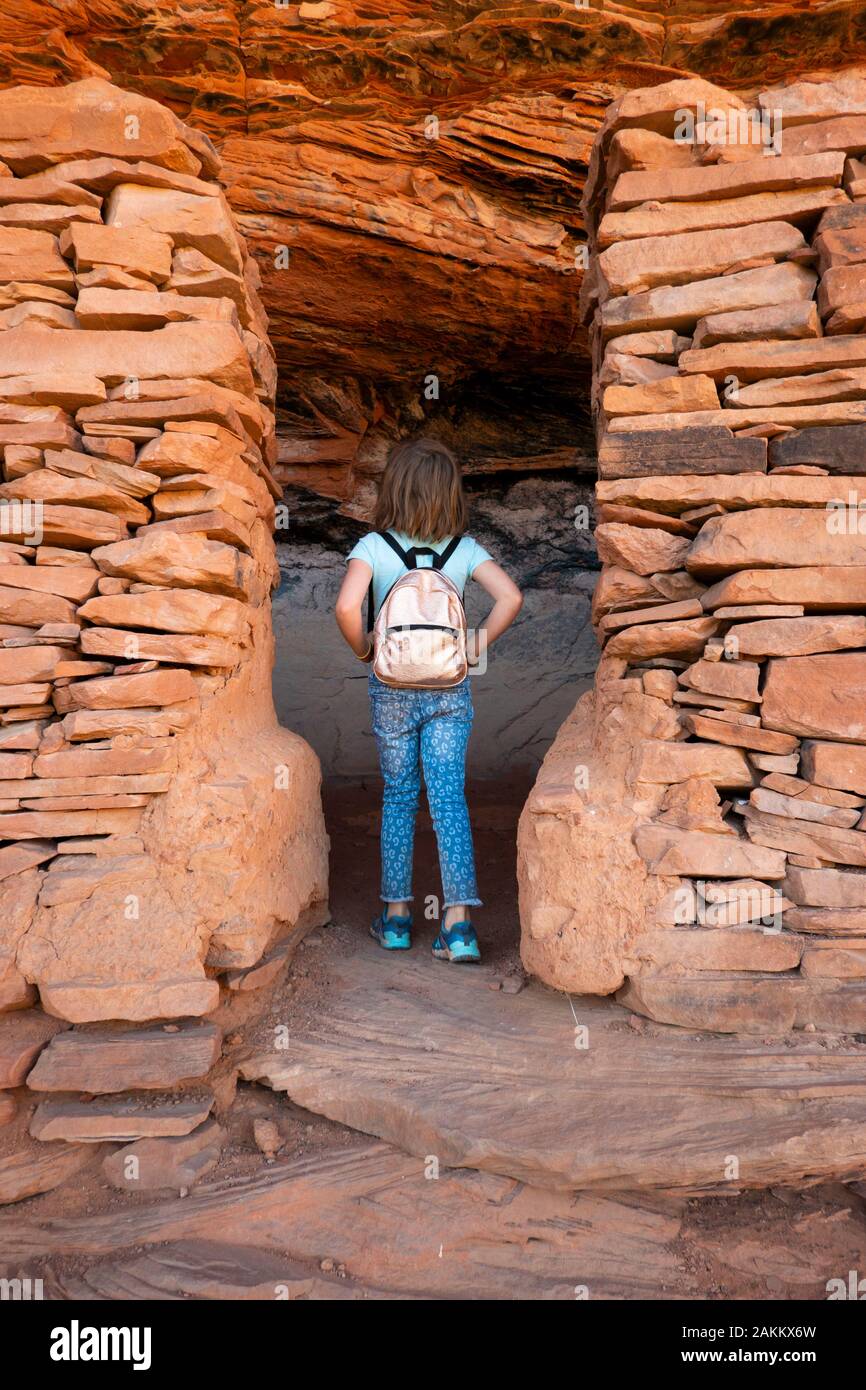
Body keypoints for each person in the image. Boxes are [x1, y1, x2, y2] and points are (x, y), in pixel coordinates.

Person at [335, 437, 523, 963]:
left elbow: (348, 606)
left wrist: (365, 649)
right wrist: (473, 647)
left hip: (391, 687)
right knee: (448, 798)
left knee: (399, 795)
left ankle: (397, 920)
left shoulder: (372, 548)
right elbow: (511, 597)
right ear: (450, 493)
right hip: (448, 687)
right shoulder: (465, 551)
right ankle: (458, 929)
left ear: (393, 488)